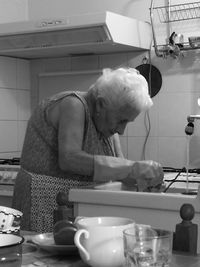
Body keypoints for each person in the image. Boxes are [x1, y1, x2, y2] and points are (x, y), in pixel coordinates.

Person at [12, 67, 163, 232]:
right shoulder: (74, 104)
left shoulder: (106, 121)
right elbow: (69, 159)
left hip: (77, 207)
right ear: (100, 104)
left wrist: (143, 179)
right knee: (42, 257)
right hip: (44, 200)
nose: (121, 130)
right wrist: (132, 168)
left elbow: (121, 170)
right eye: (121, 121)